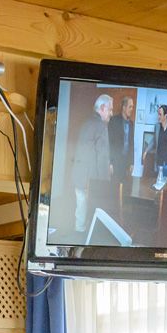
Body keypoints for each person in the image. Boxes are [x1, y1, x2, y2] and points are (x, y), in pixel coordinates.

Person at [67, 91, 115, 233]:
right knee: (91, 213)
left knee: (80, 213)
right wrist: (105, 182)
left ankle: (77, 236)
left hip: (79, 175)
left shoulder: (86, 123)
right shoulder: (101, 126)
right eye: (110, 109)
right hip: (90, 179)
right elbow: (102, 157)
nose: (111, 113)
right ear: (102, 108)